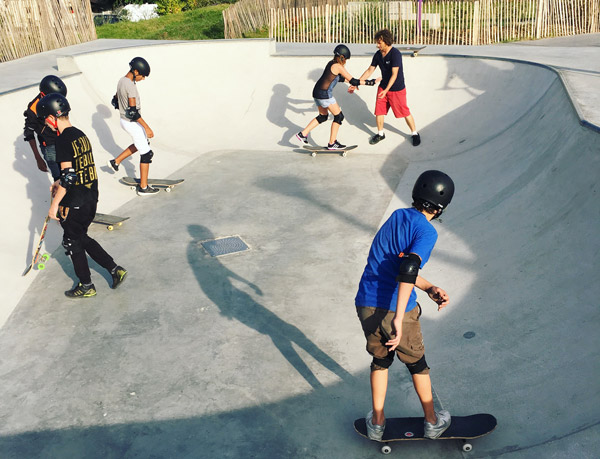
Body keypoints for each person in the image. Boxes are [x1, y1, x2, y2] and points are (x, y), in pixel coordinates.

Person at [355, 170, 455, 440]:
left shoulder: (397, 217)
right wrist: (399, 318)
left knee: (380, 361)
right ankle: (433, 422)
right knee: (417, 364)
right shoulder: (426, 231)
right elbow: (409, 266)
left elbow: (398, 265)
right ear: (441, 206)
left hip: (366, 302)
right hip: (396, 309)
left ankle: (376, 423)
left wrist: (428, 287)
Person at [38, 93, 127, 298]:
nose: (46, 123)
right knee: (81, 237)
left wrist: (54, 206)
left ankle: (86, 286)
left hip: (75, 203)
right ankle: (115, 269)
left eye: (45, 119)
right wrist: (59, 181)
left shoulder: (61, 141)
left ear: (52, 117)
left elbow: (69, 178)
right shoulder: (80, 134)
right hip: (90, 198)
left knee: (72, 242)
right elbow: (79, 169)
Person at [295, 44, 378, 150]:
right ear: (342, 57)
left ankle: (303, 134)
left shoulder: (331, 63)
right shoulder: (338, 66)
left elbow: (340, 79)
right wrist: (371, 82)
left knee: (323, 116)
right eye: (346, 59)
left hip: (317, 92)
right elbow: (353, 80)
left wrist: (353, 84)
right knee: (339, 116)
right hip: (325, 94)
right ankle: (332, 143)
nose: (346, 62)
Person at [350, 29, 421, 147]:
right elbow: (369, 70)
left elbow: (394, 74)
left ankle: (414, 133)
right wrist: (357, 83)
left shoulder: (395, 54)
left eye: (379, 43)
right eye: (377, 42)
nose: (377, 45)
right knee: (379, 111)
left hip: (396, 89)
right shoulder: (378, 54)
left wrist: (387, 90)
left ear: (386, 42)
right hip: (383, 87)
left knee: (404, 112)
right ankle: (380, 134)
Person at [107, 57, 159, 195]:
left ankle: (116, 161)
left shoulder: (121, 80)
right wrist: (147, 127)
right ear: (136, 71)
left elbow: (115, 100)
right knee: (147, 153)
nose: (143, 78)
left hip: (124, 121)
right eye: (142, 75)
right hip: (131, 122)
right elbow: (133, 112)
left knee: (142, 143)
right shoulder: (130, 85)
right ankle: (143, 187)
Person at [23, 75, 67, 181]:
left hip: (63, 139)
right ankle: (59, 196)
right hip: (49, 146)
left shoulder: (58, 101)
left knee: (70, 173)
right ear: (43, 94)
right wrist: (38, 158)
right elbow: (29, 133)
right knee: (59, 178)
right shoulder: (33, 109)